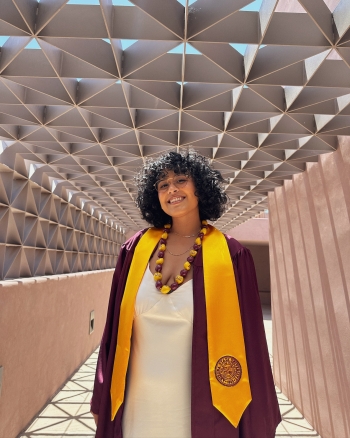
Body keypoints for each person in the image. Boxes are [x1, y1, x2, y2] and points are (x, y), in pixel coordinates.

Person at [90, 150, 281, 438]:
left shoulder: (232, 257)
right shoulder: (134, 251)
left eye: (181, 180)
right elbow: (113, 333)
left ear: (200, 188)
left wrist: (257, 415)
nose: (172, 190)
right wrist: (100, 394)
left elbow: (251, 339)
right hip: (135, 408)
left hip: (202, 411)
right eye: (163, 184)